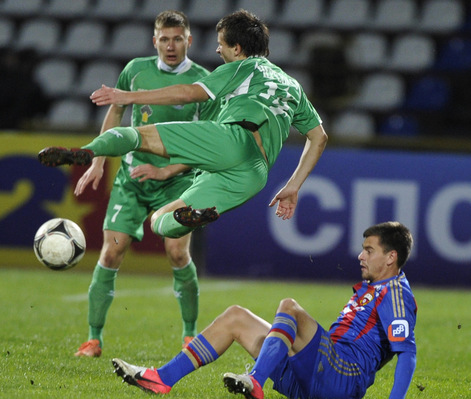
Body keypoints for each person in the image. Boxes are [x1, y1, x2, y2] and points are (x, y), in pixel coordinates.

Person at [37, 9, 328, 240]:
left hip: (232, 139)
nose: (218, 51)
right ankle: (189, 219)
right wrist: (293, 186)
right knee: (159, 221)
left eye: (221, 45)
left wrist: (128, 96)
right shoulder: (293, 86)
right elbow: (319, 137)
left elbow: (189, 93)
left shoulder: (242, 67)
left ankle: (88, 152)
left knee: (135, 136)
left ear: (237, 48)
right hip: (255, 173)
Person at [111, 221, 417, 399]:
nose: (361, 255)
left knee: (290, 307)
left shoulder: (396, 294)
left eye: (369, 250)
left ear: (391, 257)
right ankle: (162, 378)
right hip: (317, 377)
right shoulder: (374, 288)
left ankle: (255, 380)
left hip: (343, 377)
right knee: (236, 317)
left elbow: (407, 352)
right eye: (363, 249)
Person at [73, 10, 217, 357]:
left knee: (177, 252)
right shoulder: (135, 71)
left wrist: (167, 171)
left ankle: (189, 335)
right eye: (164, 39)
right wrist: (98, 159)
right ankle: (93, 339)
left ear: (189, 40)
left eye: (177, 39)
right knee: (112, 251)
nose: (171, 46)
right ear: (154, 41)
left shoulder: (203, 82)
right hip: (133, 178)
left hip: (178, 182)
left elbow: (210, 141)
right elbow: (116, 112)